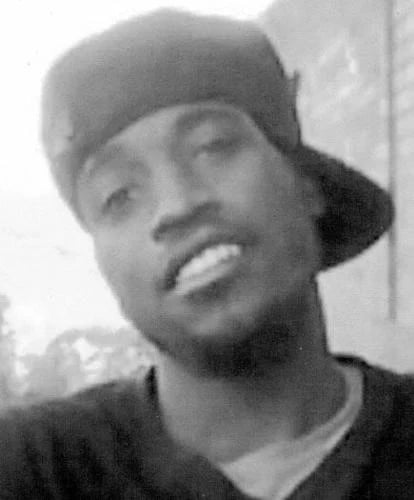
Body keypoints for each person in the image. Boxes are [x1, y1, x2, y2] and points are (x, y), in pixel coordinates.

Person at [1, 8, 412, 499]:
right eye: (119, 195)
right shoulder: (31, 468)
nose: (176, 206)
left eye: (213, 147)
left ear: (306, 185)